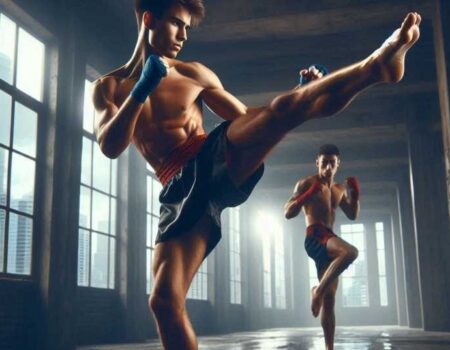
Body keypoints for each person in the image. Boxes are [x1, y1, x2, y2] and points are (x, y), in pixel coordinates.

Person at [92, 0, 421, 348]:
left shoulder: (194, 73)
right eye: (176, 24)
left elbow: (248, 117)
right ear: (149, 20)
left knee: (281, 110)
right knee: (163, 302)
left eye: (187, 28)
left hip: (210, 156)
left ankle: (375, 66)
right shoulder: (109, 87)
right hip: (176, 190)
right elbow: (110, 144)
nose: (183, 36)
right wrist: (141, 90)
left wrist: (298, 94)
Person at [284, 144, 360, 350]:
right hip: (315, 235)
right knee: (351, 252)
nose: (328, 167)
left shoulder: (338, 190)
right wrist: (307, 195)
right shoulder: (306, 182)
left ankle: (329, 348)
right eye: (324, 162)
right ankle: (317, 291)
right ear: (317, 162)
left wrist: (355, 196)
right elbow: (288, 212)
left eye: (332, 163)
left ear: (338, 165)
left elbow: (352, 215)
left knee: (329, 299)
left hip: (330, 237)